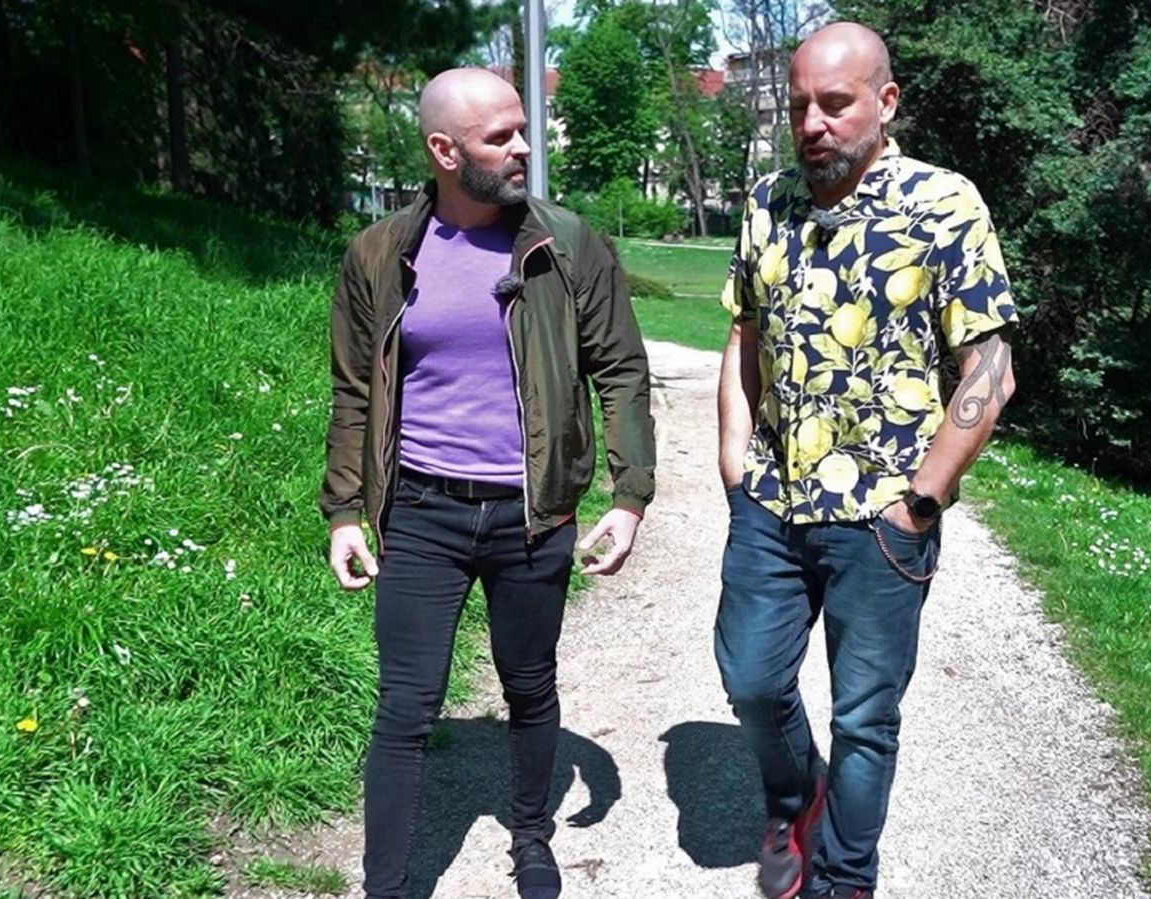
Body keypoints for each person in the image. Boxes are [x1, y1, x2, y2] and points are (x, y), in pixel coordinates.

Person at [320, 68, 655, 899]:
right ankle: (385, 885)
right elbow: (355, 389)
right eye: (500, 136)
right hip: (420, 511)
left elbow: (620, 370)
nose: (523, 147)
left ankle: (531, 837)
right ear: (444, 151)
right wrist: (345, 510)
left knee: (529, 684)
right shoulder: (379, 254)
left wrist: (629, 496)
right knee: (405, 704)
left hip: (531, 515)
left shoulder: (566, 244)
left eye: (522, 129)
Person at [714, 22, 1019, 899]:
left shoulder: (943, 204)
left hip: (883, 517)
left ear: (885, 103)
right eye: (799, 105)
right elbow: (744, 334)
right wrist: (734, 457)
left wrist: (921, 500)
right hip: (771, 500)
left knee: (864, 717)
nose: (813, 122)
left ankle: (845, 878)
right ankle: (794, 798)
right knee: (750, 678)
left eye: (835, 103)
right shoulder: (768, 202)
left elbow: (990, 369)